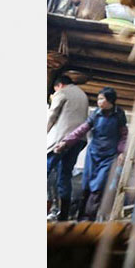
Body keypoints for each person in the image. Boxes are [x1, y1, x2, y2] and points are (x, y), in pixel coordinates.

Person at [55, 87, 128, 221]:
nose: (99, 102)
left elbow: (124, 135)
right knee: (87, 185)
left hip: (109, 156)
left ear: (110, 100)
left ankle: (89, 218)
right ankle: (80, 217)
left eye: (101, 99)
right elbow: (81, 130)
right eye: (98, 99)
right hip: (93, 154)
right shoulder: (96, 114)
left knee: (98, 186)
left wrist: (122, 152)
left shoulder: (119, 115)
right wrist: (66, 142)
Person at [46, 73, 89, 221]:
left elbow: (52, 114)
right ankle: (63, 215)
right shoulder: (83, 95)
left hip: (61, 139)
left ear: (59, 85)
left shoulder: (62, 92)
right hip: (78, 140)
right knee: (65, 175)